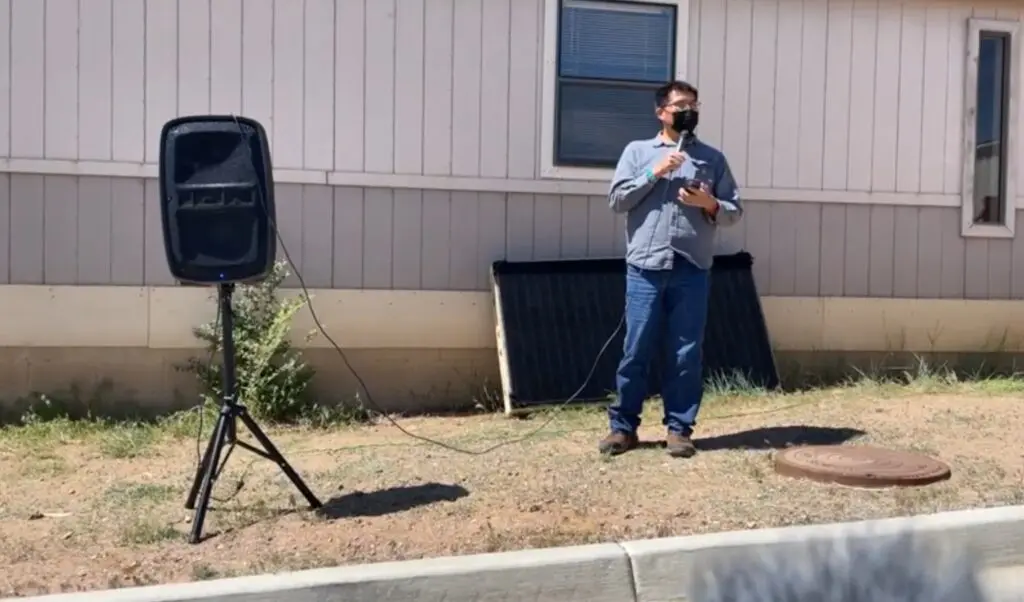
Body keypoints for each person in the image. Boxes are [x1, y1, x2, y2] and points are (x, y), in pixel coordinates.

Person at [600, 80, 743, 458]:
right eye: (680, 105)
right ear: (661, 111)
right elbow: (617, 201)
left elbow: (733, 212)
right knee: (636, 349)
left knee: (685, 352)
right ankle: (623, 428)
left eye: (693, 104)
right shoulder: (638, 152)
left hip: (691, 267)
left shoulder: (712, 158)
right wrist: (655, 172)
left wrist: (709, 202)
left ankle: (679, 429)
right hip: (645, 267)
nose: (688, 111)